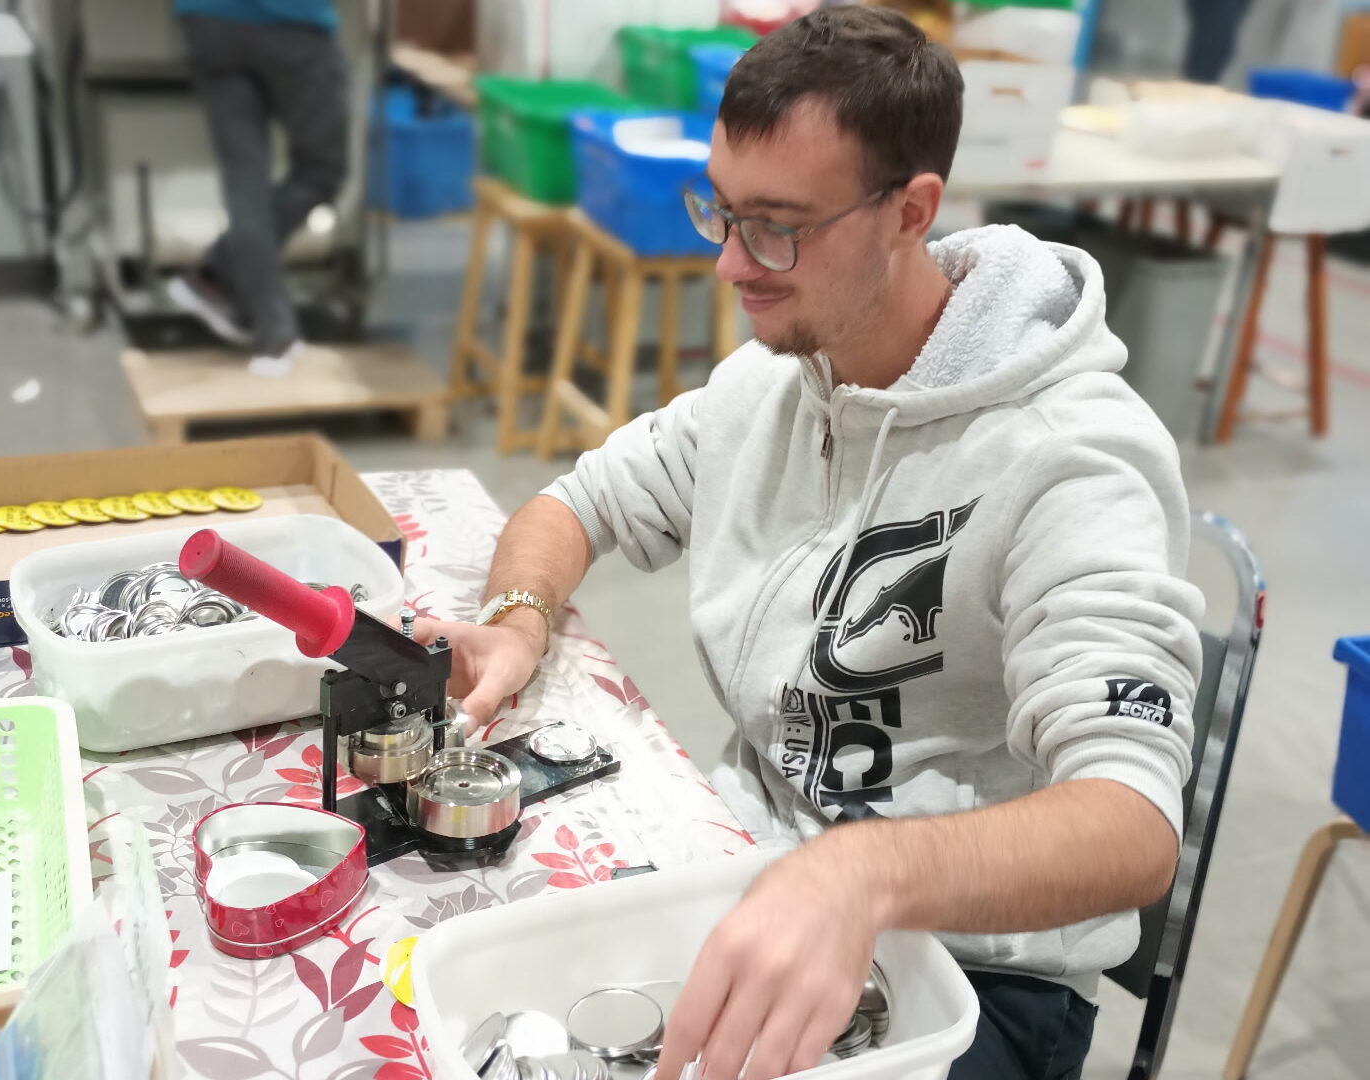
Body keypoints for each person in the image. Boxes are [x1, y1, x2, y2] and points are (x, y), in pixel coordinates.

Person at [414, 8, 1202, 1080]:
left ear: (910, 210)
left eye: (778, 226)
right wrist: (516, 623)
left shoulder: (1073, 457)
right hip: (762, 868)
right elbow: (577, 504)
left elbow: (1131, 825)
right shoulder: (773, 383)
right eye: (723, 213)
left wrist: (859, 873)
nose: (734, 266)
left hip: (978, 977)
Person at [169, 0, 348, 373]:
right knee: (322, 170)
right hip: (292, 22)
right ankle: (218, 273)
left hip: (208, 20)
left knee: (244, 181)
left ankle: (273, 335)